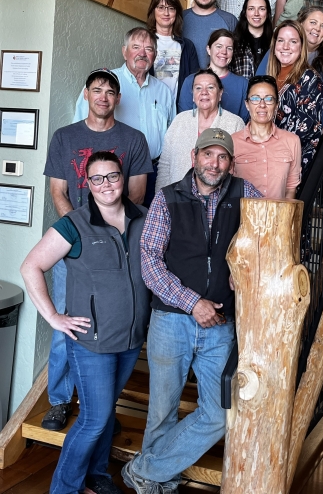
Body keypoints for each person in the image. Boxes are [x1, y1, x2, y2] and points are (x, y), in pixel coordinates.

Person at [121, 128, 261, 494]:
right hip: (171, 321)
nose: (214, 163)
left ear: (231, 162)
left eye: (222, 157)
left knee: (218, 415)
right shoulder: (167, 198)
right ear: (194, 156)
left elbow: (268, 238)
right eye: (208, 155)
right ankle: (154, 481)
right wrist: (191, 302)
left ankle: (144, 470)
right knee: (162, 412)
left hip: (220, 325)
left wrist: (243, 271)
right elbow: (149, 262)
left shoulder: (245, 193)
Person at [21, 151, 151, 494]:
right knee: (94, 419)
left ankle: (96, 478)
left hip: (131, 339)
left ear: (123, 178)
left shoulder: (145, 218)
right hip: (91, 342)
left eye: (112, 176)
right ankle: (63, 488)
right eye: (97, 178)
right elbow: (31, 266)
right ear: (87, 184)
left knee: (106, 415)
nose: (106, 184)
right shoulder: (73, 224)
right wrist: (53, 317)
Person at [42, 68, 152, 434]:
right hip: (73, 247)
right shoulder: (64, 137)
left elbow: (134, 195)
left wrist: (106, 231)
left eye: (110, 91)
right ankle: (59, 401)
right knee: (66, 328)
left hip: (117, 249)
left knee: (114, 330)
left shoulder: (134, 139)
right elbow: (59, 192)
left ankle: (100, 406)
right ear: (86, 95)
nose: (103, 96)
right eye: (96, 90)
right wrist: (78, 235)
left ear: (118, 99)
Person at [73, 27, 175, 207]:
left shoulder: (164, 92)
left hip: (152, 173)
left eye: (149, 49)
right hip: (111, 173)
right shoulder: (105, 84)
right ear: (124, 51)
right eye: (136, 47)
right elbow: (80, 129)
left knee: (142, 229)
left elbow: (172, 136)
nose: (142, 54)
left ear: (155, 55)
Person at [156, 69, 244, 190]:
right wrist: (162, 197)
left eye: (210, 88)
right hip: (178, 198)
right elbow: (165, 165)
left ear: (220, 94)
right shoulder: (179, 121)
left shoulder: (235, 123)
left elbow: (238, 168)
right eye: (198, 88)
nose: (204, 92)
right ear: (193, 95)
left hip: (219, 199)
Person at [266, 20, 323, 174]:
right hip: (266, 159)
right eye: (281, 40)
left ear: (301, 46)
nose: (285, 47)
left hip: (290, 163)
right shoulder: (270, 77)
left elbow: (304, 130)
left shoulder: (310, 78)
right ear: (274, 45)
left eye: (293, 42)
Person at [232, 75, 301, 199]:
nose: (262, 105)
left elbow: (291, 189)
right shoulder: (232, 142)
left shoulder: (292, 141)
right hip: (242, 217)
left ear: (276, 105)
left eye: (269, 99)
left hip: (278, 216)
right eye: (255, 98)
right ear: (247, 104)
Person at [178, 29, 249, 123]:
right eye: (219, 46)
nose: (224, 52)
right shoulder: (190, 81)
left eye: (229, 48)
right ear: (208, 49)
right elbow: (184, 118)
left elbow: (244, 122)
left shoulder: (243, 84)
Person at [146, 0, 200, 103]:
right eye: (161, 8)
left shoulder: (187, 46)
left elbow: (195, 82)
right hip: (151, 106)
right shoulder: (145, 42)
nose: (166, 13)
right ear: (153, 11)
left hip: (178, 110)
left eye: (171, 8)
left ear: (176, 13)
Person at [182, 0, 238, 69]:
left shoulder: (230, 20)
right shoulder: (180, 18)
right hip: (185, 82)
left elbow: (237, 60)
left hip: (220, 83)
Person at [231, 0, 273, 80]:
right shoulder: (233, 42)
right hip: (241, 93)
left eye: (261, 9)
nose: (256, 13)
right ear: (245, 13)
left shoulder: (276, 42)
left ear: (268, 12)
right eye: (251, 9)